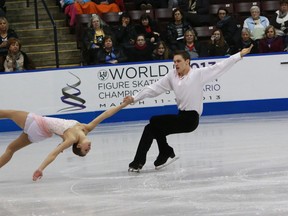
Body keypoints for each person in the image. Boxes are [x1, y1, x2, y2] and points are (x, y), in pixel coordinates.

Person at [124, 45, 253, 172]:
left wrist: (239, 55)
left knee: (155, 121)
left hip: (190, 120)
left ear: (187, 61)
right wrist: (134, 98)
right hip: (180, 116)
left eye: (179, 61)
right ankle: (140, 162)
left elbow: (219, 67)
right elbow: (154, 88)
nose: (176, 64)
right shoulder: (172, 76)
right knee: (150, 128)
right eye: (174, 62)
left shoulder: (198, 74)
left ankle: (166, 151)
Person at [0, 101, 129, 181]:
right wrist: (124, 104)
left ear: (78, 145)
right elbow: (106, 114)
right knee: (11, 149)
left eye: (85, 150)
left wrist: (40, 169)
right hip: (41, 133)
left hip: (38, 124)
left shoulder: (71, 138)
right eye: (88, 150)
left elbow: (53, 154)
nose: (89, 148)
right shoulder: (87, 128)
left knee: (9, 113)